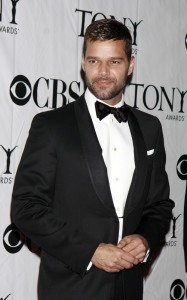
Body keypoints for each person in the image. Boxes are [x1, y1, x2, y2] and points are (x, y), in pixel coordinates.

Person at [11, 19, 174, 300]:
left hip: (129, 288)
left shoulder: (150, 128)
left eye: (114, 62)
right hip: (71, 287)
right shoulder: (51, 126)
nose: (103, 73)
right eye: (94, 61)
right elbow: (26, 208)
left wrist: (145, 238)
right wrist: (91, 252)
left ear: (131, 65)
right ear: (83, 63)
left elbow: (159, 205)